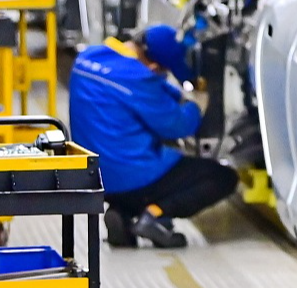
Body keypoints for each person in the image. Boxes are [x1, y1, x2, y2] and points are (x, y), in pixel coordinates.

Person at [69, 22, 236, 248]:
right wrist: (197, 105)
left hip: (94, 178)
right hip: (133, 177)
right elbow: (178, 126)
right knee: (221, 176)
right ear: (154, 65)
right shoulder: (139, 78)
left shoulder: (87, 58)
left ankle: (122, 213)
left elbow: (154, 90)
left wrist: (178, 95)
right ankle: (155, 215)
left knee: (150, 155)